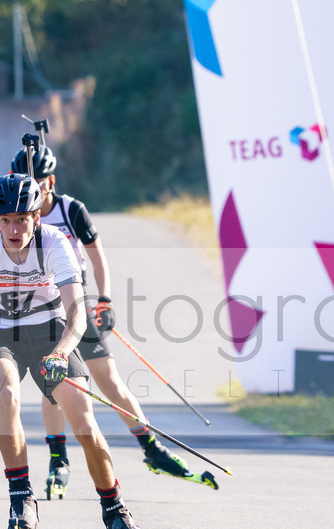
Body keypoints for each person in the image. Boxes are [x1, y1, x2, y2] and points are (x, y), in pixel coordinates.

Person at [0, 172, 154, 529]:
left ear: (37, 217)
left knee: (84, 419)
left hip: (48, 330)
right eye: (5, 220)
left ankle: (115, 510)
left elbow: (78, 313)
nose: (14, 228)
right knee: (8, 391)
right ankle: (21, 499)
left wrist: (61, 352)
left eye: (22, 219)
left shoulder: (54, 243)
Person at [11, 145, 216, 499]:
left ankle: (151, 448)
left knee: (110, 381)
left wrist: (104, 298)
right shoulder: (13, 217)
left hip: (74, 304)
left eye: (41, 182)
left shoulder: (70, 210)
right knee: (54, 386)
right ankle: (58, 460)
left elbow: (97, 256)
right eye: (30, 181)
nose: (36, 189)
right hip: (40, 312)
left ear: (51, 181)